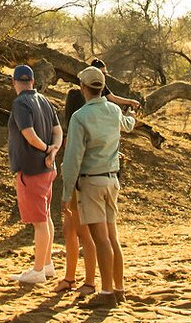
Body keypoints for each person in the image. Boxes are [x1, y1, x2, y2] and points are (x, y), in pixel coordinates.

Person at [57, 65, 134, 308]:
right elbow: (128, 125)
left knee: (101, 239)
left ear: (83, 88)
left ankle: (107, 292)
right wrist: (131, 114)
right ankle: (119, 288)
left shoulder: (79, 117)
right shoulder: (112, 110)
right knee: (112, 237)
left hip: (91, 181)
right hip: (112, 179)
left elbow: (72, 159)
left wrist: (66, 192)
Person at [7, 64, 61, 284]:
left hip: (32, 168)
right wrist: (53, 150)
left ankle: (38, 270)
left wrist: (46, 149)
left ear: (14, 82)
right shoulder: (44, 100)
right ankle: (47, 265)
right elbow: (57, 131)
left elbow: (28, 135)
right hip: (47, 168)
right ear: (32, 81)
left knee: (39, 221)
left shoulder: (21, 103)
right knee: (45, 217)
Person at [53, 88, 97, 295]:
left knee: (81, 232)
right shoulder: (89, 123)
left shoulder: (76, 126)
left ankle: (87, 281)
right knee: (71, 230)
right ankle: (70, 278)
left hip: (77, 185)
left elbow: (72, 162)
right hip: (85, 183)